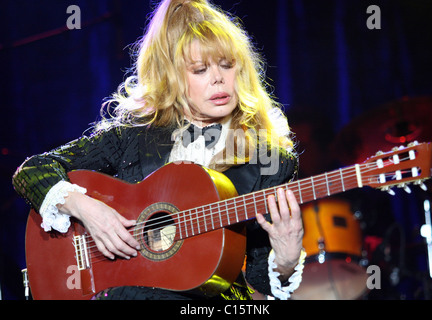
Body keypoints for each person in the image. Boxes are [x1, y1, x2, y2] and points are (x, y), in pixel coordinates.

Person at [12, 0, 305, 300]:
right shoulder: (134, 136)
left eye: (227, 65)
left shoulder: (271, 162)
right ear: (172, 78)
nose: (219, 78)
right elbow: (33, 171)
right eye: (201, 69)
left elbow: (259, 282)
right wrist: (88, 210)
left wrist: (286, 259)